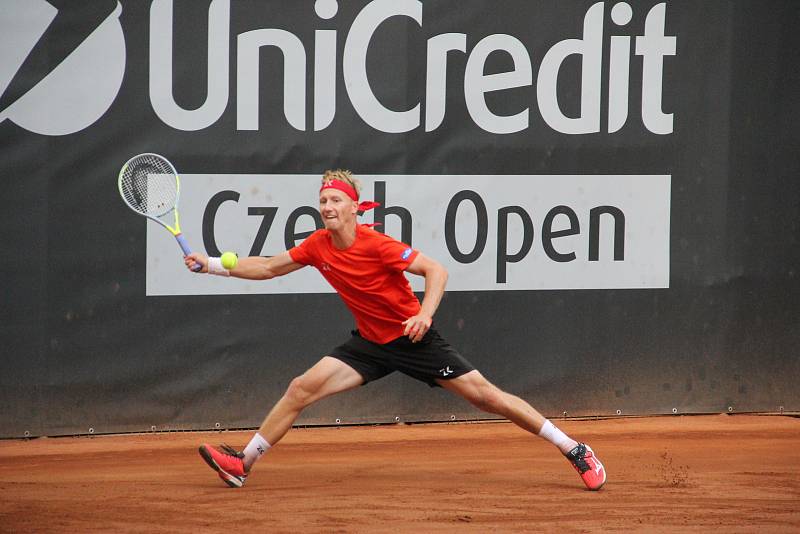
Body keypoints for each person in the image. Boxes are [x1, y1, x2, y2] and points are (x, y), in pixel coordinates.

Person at [185, 169, 606, 491]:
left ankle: (573, 448)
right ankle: (243, 463)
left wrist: (424, 313)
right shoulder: (316, 245)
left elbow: (436, 270)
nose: (327, 207)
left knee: (487, 398)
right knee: (300, 389)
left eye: (335, 200)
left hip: (414, 340)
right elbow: (267, 267)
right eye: (322, 201)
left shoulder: (378, 245)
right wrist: (211, 265)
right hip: (368, 344)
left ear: (354, 207)